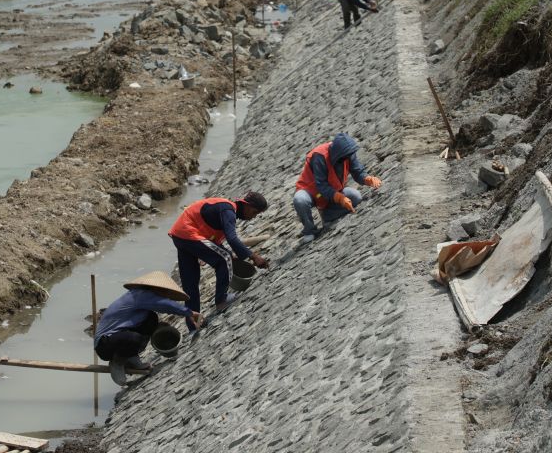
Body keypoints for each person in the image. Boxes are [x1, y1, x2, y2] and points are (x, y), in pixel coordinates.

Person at [168, 192, 270, 329]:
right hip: (188, 232)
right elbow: (232, 239)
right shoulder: (228, 210)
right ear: (246, 205)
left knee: (190, 283)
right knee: (225, 257)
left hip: (180, 235)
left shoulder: (224, 210)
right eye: (254, 212)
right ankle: (221, 300)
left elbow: (214, 241)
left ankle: (193, 326)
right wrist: (253, 256)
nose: (253, 217)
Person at [94, 270, 203, 385]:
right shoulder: (140, 295)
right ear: (156, 288)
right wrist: (190, 313)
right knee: (134, 338)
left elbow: (161, 306)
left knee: (151, 318)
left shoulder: (142, 296)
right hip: (104, 345)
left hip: (118, 338)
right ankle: (117, 362)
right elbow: (164, 304)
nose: (165, 295)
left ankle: (131, 356)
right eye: (164, 292)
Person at [293, 133, 382, 241]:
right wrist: (340, 198)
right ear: (337, 154)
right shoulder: (319, 156)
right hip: (312, 192)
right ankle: (310, 230)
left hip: (332, 193)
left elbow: (358, 172)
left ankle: (328, 216)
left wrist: (367, 179)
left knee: (355, 197)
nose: (346, 159)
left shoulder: (347, 152)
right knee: (300, 200)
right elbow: (321, 185)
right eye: (343, 158)